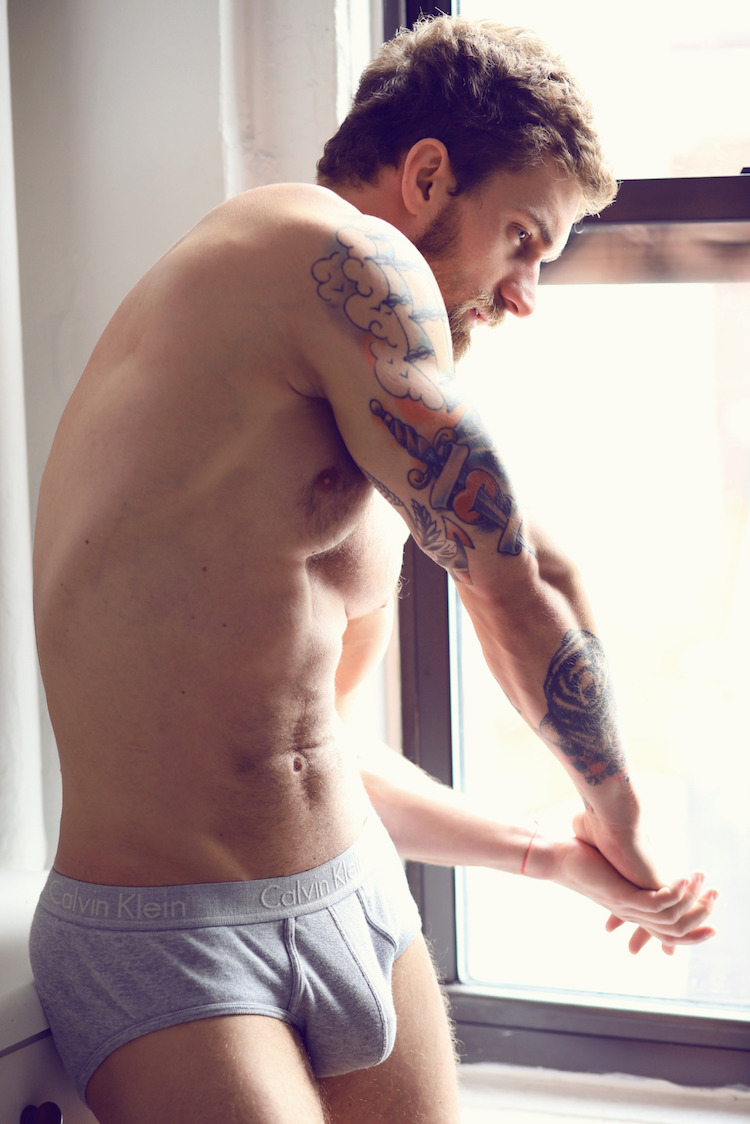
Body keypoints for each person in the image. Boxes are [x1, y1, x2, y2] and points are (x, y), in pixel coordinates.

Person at [30, 15, 717, 1124]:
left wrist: (549, 854)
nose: (525, 291)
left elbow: (322, 745)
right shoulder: (333, 253)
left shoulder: (338, 414)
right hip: (174, 939)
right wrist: (622, 811)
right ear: (429, 175)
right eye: (522, 238)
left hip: (354, 897)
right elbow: (516, 582)